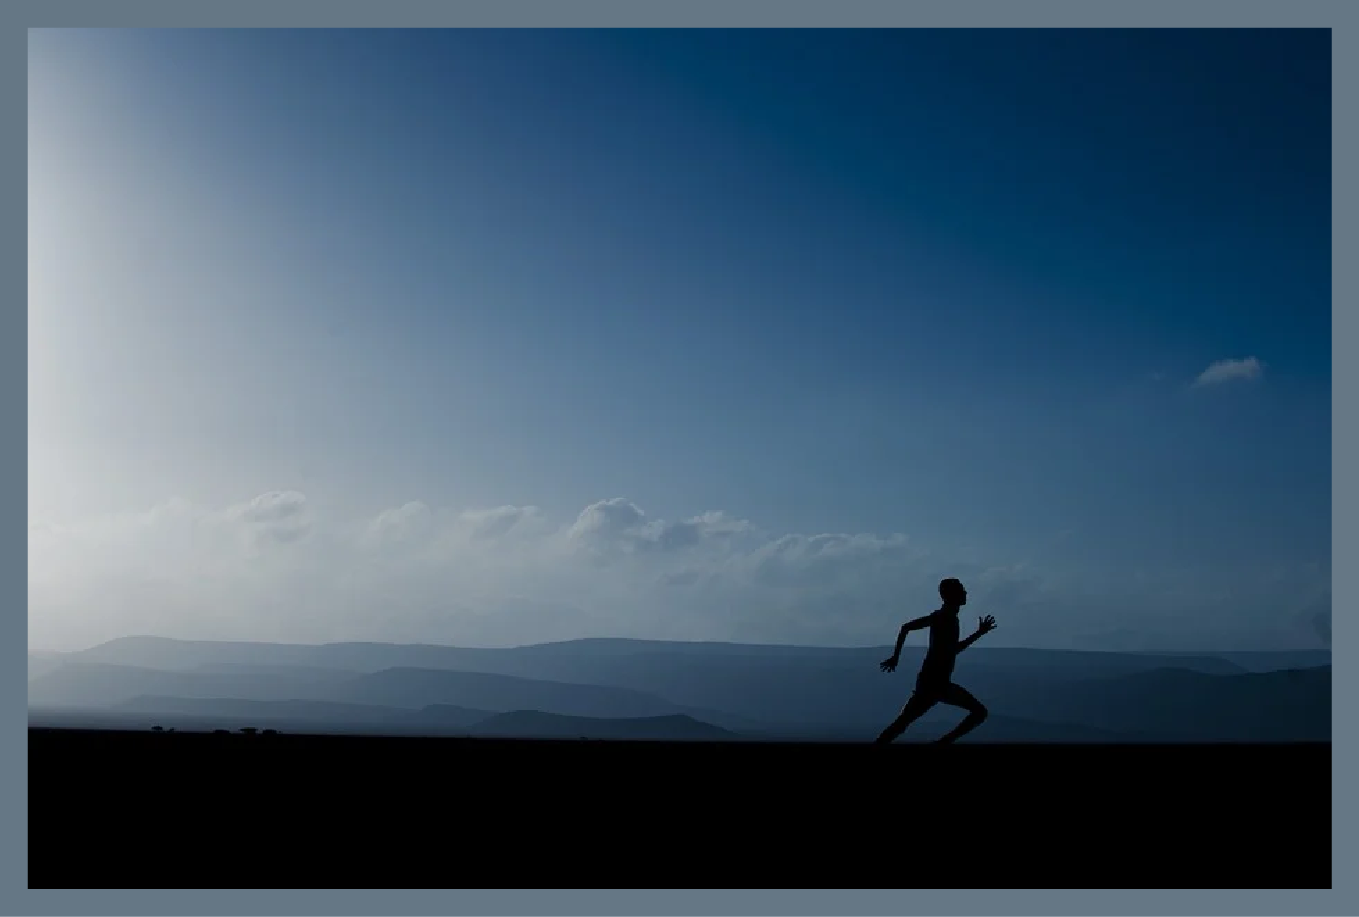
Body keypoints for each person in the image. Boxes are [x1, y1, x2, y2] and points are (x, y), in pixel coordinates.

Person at [875, 578, 996, 745]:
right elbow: (908, 628)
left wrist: (895, 657)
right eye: (961, 590)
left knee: (901, 724)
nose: (965, 593)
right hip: (934, 683)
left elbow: (908, 629)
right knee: (979, 712)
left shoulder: (947, 618)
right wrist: (895, 657)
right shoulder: (943, 617)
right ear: (951, 595)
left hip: (934, 682)